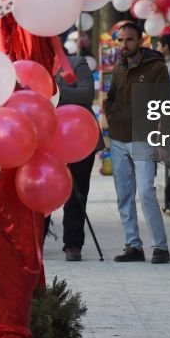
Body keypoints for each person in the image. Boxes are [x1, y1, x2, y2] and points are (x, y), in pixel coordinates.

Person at [102, 21, 170, 264]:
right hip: (119, 138)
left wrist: (164, 140)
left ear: (140, 41)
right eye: (120, 40)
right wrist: (109, 118)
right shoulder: (119, 67)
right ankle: (133, 245)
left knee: (146, 192)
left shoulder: (156, 68)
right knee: (124, 195)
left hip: (144, 138)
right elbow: (110, 97)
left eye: (129, 39)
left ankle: (160, 247)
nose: (124, 44)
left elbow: (167, 106)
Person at [54, 53, 102, 261]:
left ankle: (73, 244)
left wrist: (56, 93)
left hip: (79, 137)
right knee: (41, 188)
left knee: (77, 192)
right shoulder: (31, 64)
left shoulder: (74, 63)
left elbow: (86, 94)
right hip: (46, 138)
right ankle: (35, 240)